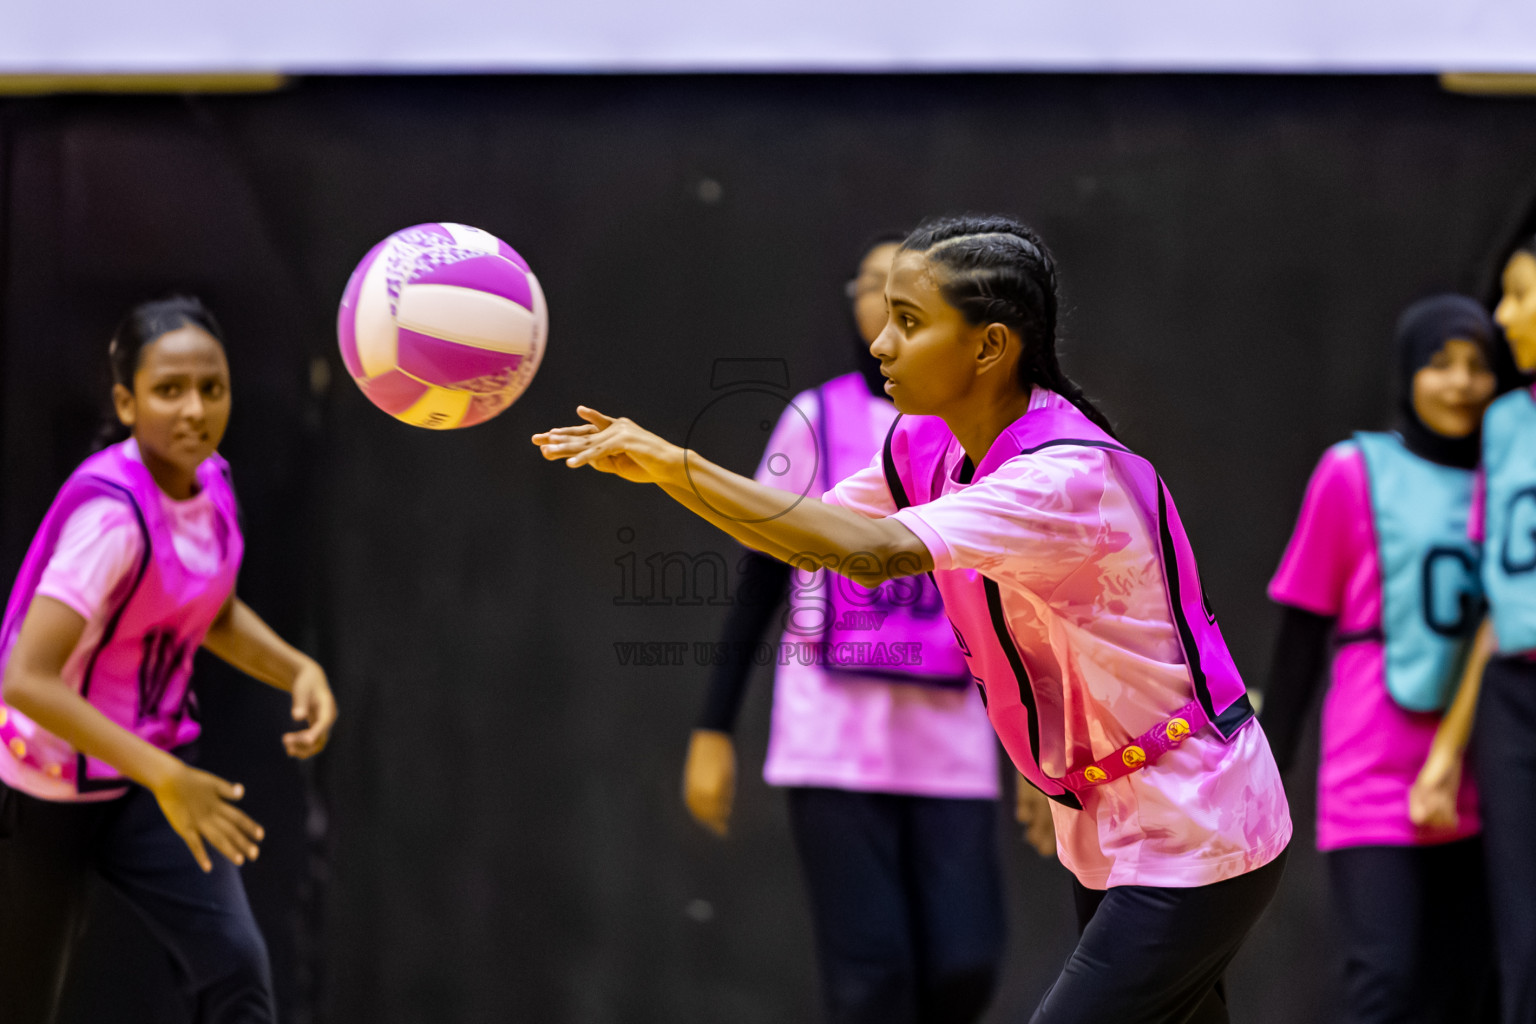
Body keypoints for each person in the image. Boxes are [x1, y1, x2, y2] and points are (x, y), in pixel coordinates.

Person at [536, 215, 1291, 1024]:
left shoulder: (1061, 477)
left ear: (989, 346)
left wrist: (676, 463)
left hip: (1195, 818)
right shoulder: (927, 443)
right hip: (1114, 820)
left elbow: (872, 553)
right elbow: (805, 534)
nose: (881, 344)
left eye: (908, 320)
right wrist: (667, 473)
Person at [683, 235, 1026, 1024]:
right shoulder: (815, 419)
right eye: (874, 283)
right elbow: (762, 574)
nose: (887, 300)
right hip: (834, 740)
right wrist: (713, 728)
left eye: (910, 288)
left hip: (951, 745)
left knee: (966, 965)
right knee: (870, 981)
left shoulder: (985, 433)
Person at [0, 296, 338, 1024]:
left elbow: (206, 611)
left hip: (144, 782)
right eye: (169, 389)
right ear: (127, 403)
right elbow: (25, 680)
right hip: (40, 789)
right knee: (21, 999)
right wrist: (166, 775)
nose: (194, 409)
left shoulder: (210, 484)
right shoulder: (110, 520)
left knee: (237, 971)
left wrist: (298, 671)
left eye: (211, 388)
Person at [1261, 295, 1500, 1023]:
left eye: (1477, 366)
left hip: (1488, 774)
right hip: (1373, 772)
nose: (1461, 384)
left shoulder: (1510, 480)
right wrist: (1266, 769)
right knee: (1386, 980)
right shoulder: (1353, 472)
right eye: (1441, 364)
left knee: (1469, 988)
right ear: (1408, 371)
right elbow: (1302, 633)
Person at [1412, 239, 1536, 1024]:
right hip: (1512, 694)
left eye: (1522, 294)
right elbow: (1499, 599)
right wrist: (1447, 750)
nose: (1504, 316)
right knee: (1522, 930)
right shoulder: (1507, 424)